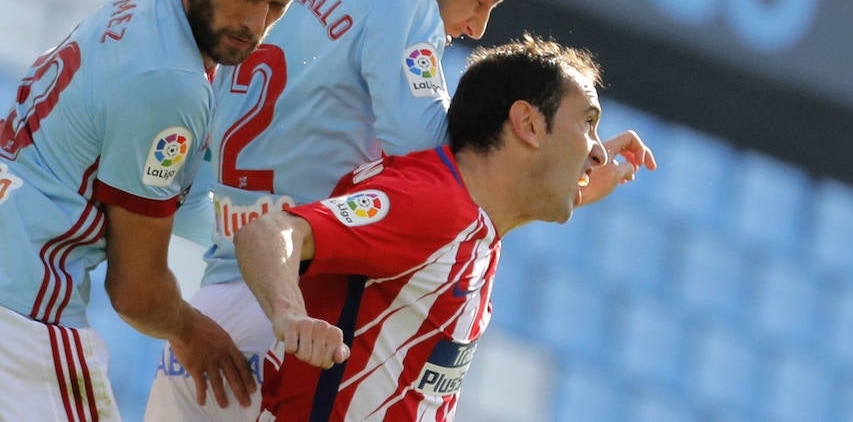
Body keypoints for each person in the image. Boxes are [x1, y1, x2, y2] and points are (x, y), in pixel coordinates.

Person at [146, 0, 538, 420]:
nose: (477, 27)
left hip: (209, 313)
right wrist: (538, 157)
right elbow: (432, 160)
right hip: (289, 320)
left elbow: (198, 193)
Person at [0, 0, 332, 421]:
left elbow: (175, 202)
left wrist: (268, 237)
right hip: (22, 316)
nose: (256, 23)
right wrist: (193, 332)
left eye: (278, 5)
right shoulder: (170, 84)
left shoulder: (146, 3)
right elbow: (135, 290)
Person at [233, 34, 657, 420]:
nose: (601, 151)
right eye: (588, 122)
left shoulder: (478, 224)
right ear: (528, 124)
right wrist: (289, 315)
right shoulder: (433, 206)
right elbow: (269, 234)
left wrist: (572, 186)